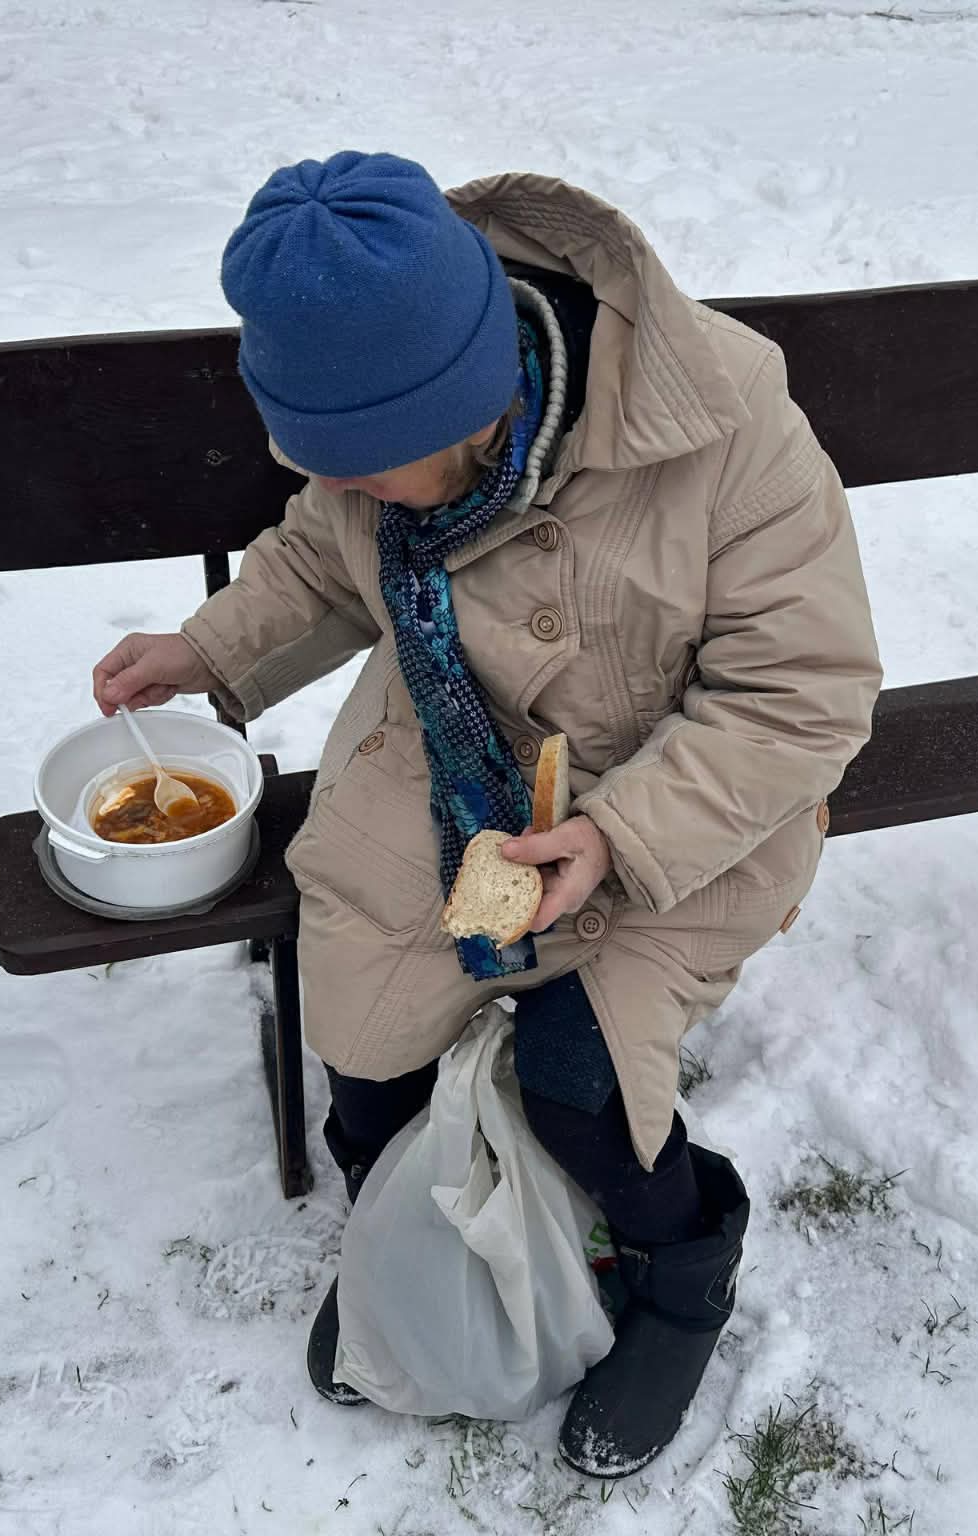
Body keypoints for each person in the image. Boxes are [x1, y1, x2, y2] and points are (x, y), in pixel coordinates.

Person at [93, 151, 881, 1478]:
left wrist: (621, 841)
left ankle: (684, 1278)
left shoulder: (727, 421)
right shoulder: (373, 463)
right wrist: (210, 651)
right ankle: (411, 1237)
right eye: (329, 463)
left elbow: (802, 698)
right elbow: (318, 557)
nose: (359, 492)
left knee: (584, 1074)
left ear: (479, 395)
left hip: (675, 815)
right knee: (365, 1039)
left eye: (381, 468)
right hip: (453, 782)